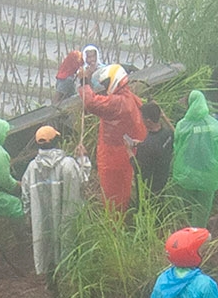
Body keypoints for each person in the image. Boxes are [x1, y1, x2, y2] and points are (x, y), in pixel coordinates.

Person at [22, 124, 92, 277]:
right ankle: (67, 280)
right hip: (67, 219)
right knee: (67, 247)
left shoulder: (32, 168)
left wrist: (28, 216)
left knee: (46, 252)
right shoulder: (68, 164)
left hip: (43, 222)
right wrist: (83, 159)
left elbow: (25, 196)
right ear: (56, 141)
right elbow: (83, 180)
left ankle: (51, 283)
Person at [79, 62, 146, 209]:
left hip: (113, 157)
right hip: (124, 152)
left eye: (106, 82)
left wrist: (84, 82)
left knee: (113, 195)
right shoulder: (128, 96)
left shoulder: (117, 102)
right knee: (122, 191)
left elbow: (91, 103)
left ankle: (115, 226)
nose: (105, 86)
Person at [171, 90, 218, 224]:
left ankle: (183, 234)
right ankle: (198, 236)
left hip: (188, 174)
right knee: (202, 209)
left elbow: (177, 147)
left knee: (185, 207)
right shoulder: (216, 125)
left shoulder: (183, 124)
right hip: (209, 175)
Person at [136, 100, 174, 195]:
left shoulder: (147, 144)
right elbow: (156, 148)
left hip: (150, 187)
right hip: (164, 177)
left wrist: (129, 150)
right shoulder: (168, 134)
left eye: (142, 118)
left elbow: (137, 167)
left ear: (148, 121)